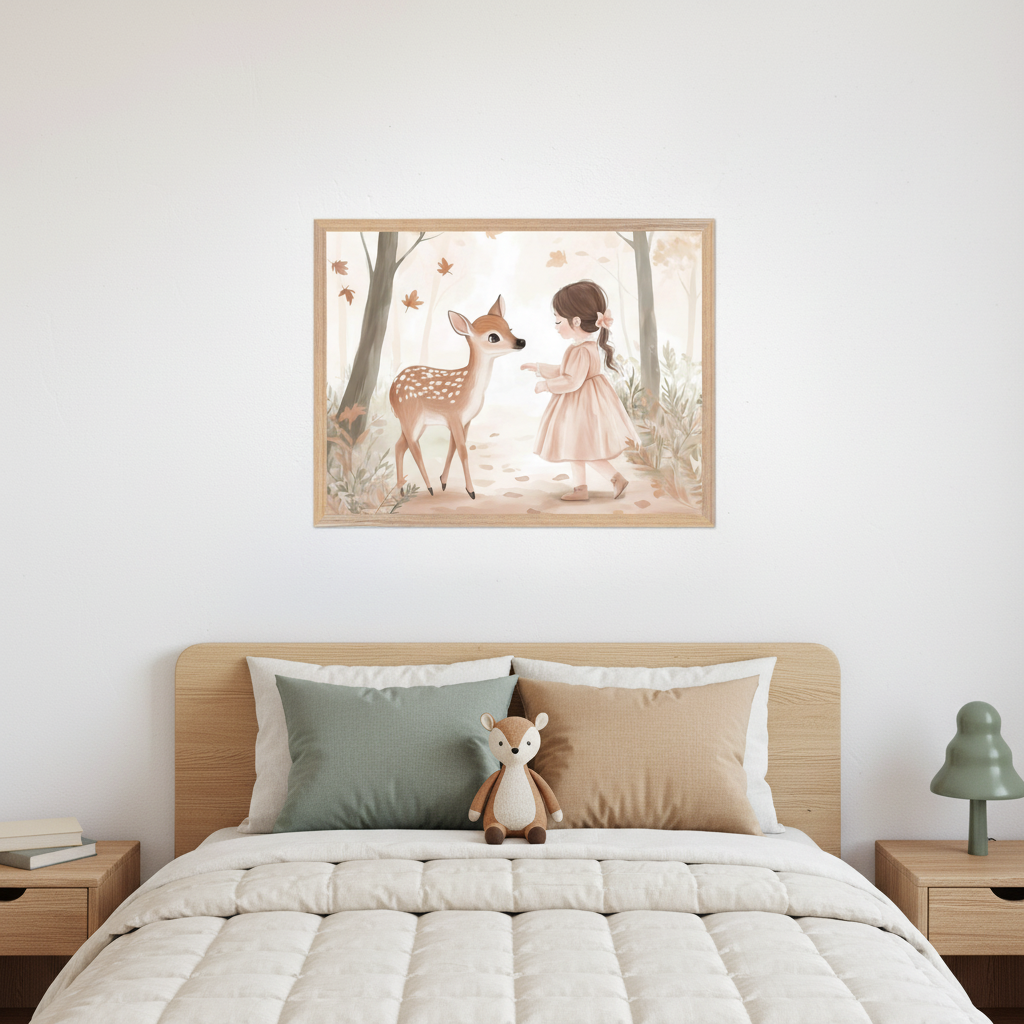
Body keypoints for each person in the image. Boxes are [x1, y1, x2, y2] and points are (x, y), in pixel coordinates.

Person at [521, 280, 641, 501]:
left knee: (582, 447)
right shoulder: (580, 348)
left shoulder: (583, 350)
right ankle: (580, 489)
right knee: (574, 445)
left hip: (583, 403)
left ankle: (616, 479)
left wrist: (546, 385)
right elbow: (563, 370)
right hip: (581, 401)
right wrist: (539, 368)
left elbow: (572, 380)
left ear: (575, 321)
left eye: (558, 320)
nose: (556, 326)